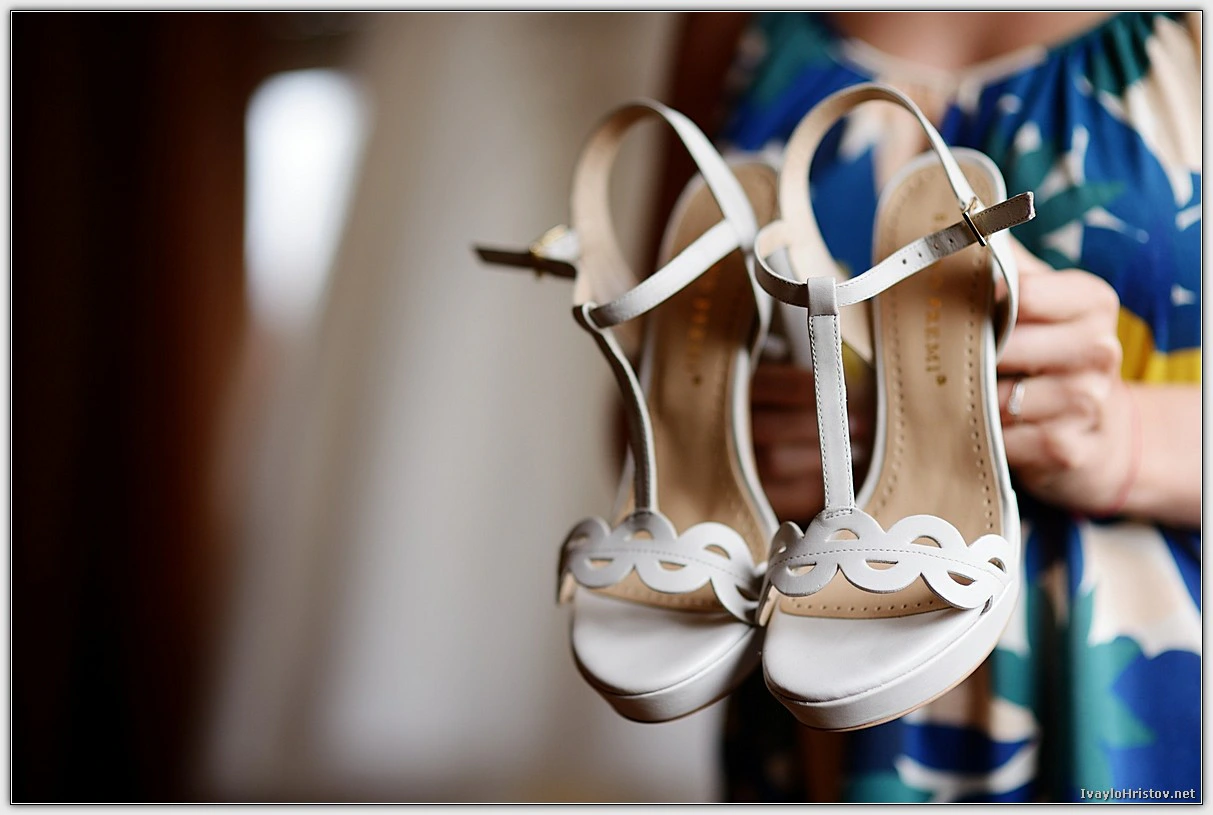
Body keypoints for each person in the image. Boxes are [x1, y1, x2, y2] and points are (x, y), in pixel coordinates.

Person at [663, 11, 1201, 803]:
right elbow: (652, 379)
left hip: (1131, 675)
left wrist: (1123, 439)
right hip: (814, 637)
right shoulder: (727, 18)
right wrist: (725, 451)